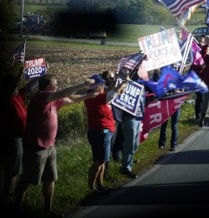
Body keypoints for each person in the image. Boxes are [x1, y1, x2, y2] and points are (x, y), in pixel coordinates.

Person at [15, 75, 97, 217]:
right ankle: (16, 208)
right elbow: (64, 93)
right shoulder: (41, 96)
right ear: (47, 86)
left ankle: (48, 209)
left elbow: (71, 99)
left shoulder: (53, 101)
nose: (57, 86)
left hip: (50, 147)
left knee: (50, 178)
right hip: (36, 146)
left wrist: (90, 95)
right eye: (55, 83)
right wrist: (83, 85)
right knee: (27, 179)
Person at [84, 73, 127, 195]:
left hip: (104, 133)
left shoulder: (97, 96)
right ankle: (91, 187)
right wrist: (122, 84)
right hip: (100, 133)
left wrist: (120, 79)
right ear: (97, 87)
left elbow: (110, 90)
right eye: (102, 85)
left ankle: (99, 185)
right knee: (99, 161)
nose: (104, 86)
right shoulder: (94, 98)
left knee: (102, 161)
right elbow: (113, 93)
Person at [1, 71, 38, 203]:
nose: (18, 88)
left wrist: (40, 74)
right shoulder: (7, 99)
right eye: (15, 86)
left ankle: (9, 193)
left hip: (21, 139)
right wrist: (17, 76)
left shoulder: (17, 96)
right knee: (13, 169)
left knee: (16, 168)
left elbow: (30, 87)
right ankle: (7, 194)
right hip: (13, 139)